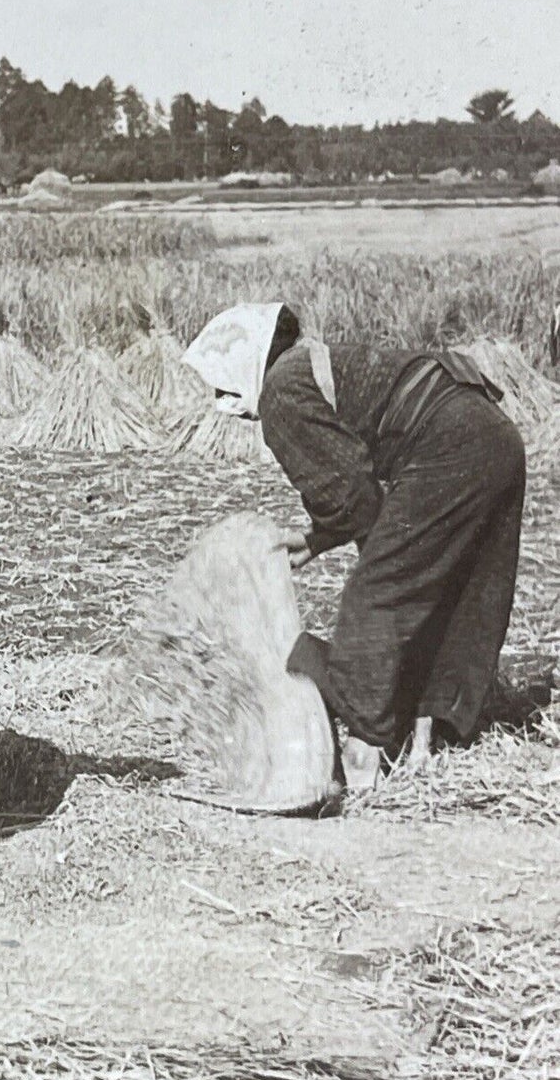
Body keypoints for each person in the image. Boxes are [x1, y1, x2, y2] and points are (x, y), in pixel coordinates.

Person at [182, 303, 526, 790]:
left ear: (246, 364)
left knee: (377, 595)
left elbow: (353, 497)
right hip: (495, 436)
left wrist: (326, 536)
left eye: (224, 387)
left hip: (449, 443)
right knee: (452, 595)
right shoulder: (308, 363)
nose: (224, 403)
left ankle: (365, 753)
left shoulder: (281, 390)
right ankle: (425, 742)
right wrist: (318, 540)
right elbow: (361, 496)